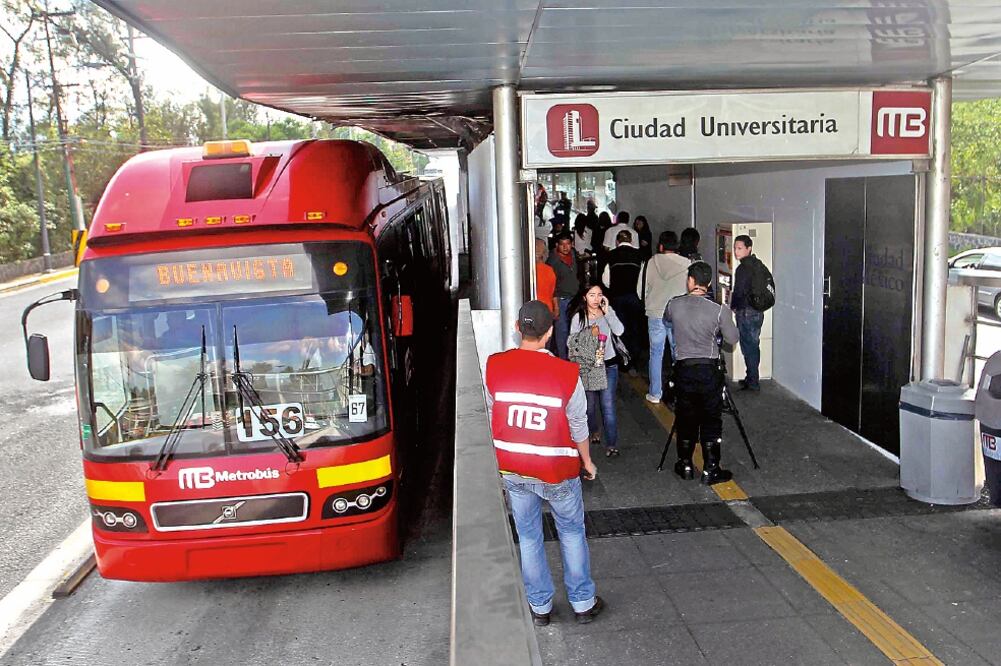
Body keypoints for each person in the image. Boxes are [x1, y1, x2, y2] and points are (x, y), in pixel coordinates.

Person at [484, 301, 604, 626]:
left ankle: (540, 608)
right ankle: (582, 603)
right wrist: (587, 462)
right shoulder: (567, 374)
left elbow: (493, 407)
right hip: (557, 470)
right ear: (550, 332)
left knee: (529, 535)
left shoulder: (494, 365)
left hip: (514, 467)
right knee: (571, 531)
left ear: (517, 328)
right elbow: (579, 424)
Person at [664, 261, 739, 485]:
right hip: (709, 371)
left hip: (684, 370)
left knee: (685, 417)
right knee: (711, 418)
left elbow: (667, 320)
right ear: (708, 283)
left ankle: (685, 464)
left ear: (690, 281)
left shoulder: (674, 305)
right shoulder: (719, 310)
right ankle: (711, 469)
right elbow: (733, 339)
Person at [569, 280, 625, 457]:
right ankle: (594, 431)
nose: (596, 298)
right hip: (588, 367)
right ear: (584, 297)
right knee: (590, 406)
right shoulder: (579, 317)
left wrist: (608, 313)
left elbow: (619, 331)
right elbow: (571, 342)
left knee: (608, 405)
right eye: (592, 295)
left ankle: (612, 444)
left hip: (608, 364)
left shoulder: (607, 312)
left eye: (599, 294)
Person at [639, 231, 690, 403]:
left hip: (655, 313)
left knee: (656, 353)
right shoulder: (688, 264)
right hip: (679, 314)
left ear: (660, 246)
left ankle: (655, 393)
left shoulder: (650, 263)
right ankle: (682, 393)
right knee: (680, 354)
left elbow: (640, 290)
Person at [601, 229, 644, 372]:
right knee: (634, 329)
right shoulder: (639, 256)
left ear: (617, 241)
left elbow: (605, 280)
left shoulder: (610, 256)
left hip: (617, 297)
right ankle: (634, 360)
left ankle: (622, 361)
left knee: (618, 329)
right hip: (633, 297)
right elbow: (641, 281)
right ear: (631, 240)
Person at [731, 234, 768, 391]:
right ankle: (752, 377)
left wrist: (733, 307)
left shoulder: (742, 268)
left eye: (739, 248)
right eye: (734, 248)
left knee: (748, 347)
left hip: (745, 312)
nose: (736, 252)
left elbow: (738, 292)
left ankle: (752, 381)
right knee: (754, 345)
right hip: (758, 311)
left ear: (749, 248)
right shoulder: (759, 265)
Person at [547, 232, 580, 359]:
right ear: (557, 245)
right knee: (562, 332)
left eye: (568, 244)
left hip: (574, 298)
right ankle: (563, 360)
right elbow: (552, 285)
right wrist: (555, 306)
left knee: (574, 329)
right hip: (561, 299)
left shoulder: (573, 255)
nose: (566, 247)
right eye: (562, 245)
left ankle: (573, 357)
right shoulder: (553, 261)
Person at [535, 238, 558, 315]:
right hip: (547, 309)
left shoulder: (528, 271)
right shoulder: (549, 270)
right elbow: (554, 292)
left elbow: (554, 291)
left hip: (534, 309)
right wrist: (556, 308)